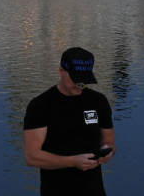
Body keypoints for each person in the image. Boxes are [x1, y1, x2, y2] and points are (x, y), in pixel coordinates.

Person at [24, 47, 115, 196]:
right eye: (76, 79)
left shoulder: (99, 101)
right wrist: (72, 161)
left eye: (85, 81)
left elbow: (110, 142)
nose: (80, 85)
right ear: (61, 71)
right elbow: (31, 157)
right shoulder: (41, 105)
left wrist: (108, 152)